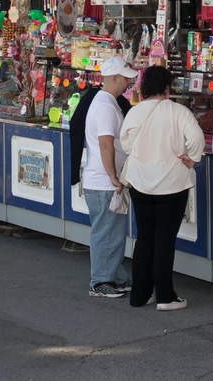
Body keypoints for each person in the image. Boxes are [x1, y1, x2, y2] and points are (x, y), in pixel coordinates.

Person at [120, 66, 204, 311]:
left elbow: (125, 144)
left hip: (140, 183)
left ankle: (139, 295)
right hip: (173, 184)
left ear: (144, 87)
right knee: (165, 240)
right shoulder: (179, 111)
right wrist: (193, 157)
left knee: (144, 237)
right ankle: (165, 296)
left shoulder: (135, 113)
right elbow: (196, 138)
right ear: (168, 86)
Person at [79, 55, 137, 298]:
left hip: (104, 180)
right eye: (126, 79)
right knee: (106, 233)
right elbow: (106, 144)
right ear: (114, 78)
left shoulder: (106, 102)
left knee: (112, 233)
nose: (129, 84)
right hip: (104, 181)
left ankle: (114, 277)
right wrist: (113, 176)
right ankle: (101, 281)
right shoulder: (105, 105)